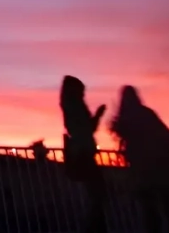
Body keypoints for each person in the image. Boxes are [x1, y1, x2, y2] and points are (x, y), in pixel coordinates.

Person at [110, 85, 169, 233]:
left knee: (150, 210)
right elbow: (167, 135)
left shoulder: (125, 120)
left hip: (141, 171)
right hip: (160, 166)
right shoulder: (146, 114)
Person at [61, 76, 108, 233]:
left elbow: (87, 128)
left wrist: (97, 116)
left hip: (82, 152)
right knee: (97, 194)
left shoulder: (71, 105)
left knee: (96, 194)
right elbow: (87, 129)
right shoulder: (75, 106)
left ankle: (95, 227)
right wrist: (97, 116)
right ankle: (95, 228)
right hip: (83, 153)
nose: (83, 93)